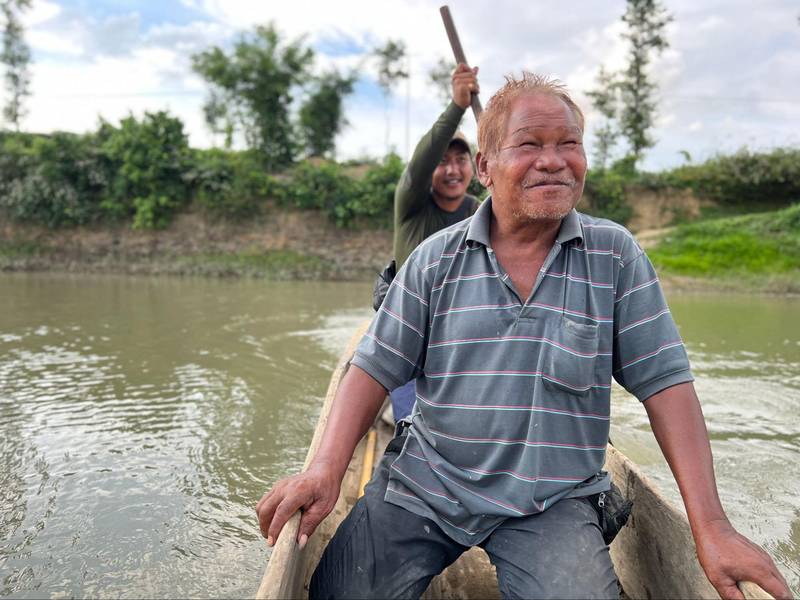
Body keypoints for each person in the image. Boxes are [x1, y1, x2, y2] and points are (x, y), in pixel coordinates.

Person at [256, 72, 791, 600]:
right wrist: (325, 469)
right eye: (530, 144)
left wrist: (713, 527)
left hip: (551, 500)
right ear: (486, 168)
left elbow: (666, 386)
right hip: (427, 483)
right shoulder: (435, 260)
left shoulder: (614, 256)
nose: (553, 160)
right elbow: (373, 368)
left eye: (569, 144)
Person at [378, 62, 481, 423]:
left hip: (459, 336)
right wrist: (457, 107)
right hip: (408, 332)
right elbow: (420, 162)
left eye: (460, 160)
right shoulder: (412, 204)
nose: (452, 170)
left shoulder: (482, 214)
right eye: (443, 162)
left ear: (475, 166)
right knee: (412, 427)